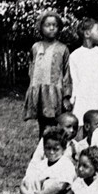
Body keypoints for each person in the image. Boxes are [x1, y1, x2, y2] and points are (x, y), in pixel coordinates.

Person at [23, 10, 73, 138]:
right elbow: (32, 68)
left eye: (54, 25)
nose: (51, 28)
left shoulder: (63, 49)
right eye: (47, 25)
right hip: (39, 91)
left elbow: (66, 73)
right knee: (42, 125)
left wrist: (66, 96)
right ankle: (42, 150)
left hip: (54, 94)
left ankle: (55, 149)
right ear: (41, 27)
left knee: (54, 125)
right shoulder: (35, 47)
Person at [19, 126, 77, 194]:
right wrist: (29, 193)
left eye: (56, 149)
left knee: (50, 184)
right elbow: (26, 181)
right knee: (32, 179)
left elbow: (61, 186)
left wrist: (41, 193)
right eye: (48, 148)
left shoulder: (66, 164)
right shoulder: (42, 164)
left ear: (64, 149)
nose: (51, 152)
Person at [69, 18, 98, 126]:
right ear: (87, 33)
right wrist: (72, 101)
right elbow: (74, 81)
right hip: (83, 100)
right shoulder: (75, 56)